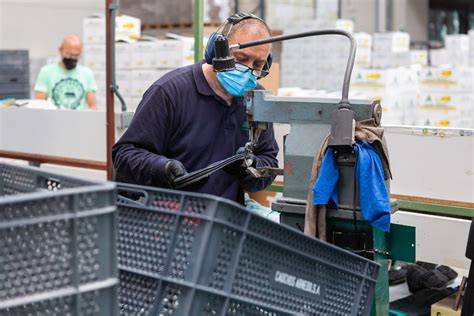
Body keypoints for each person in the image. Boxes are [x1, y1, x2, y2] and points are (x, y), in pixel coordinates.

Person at [112, 13, 278, 205]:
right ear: (216, 49)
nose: (247, 70)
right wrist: (162, 168)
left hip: (225, 220)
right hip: (170, 220)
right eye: (241, 59)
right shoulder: (170, 92)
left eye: (257, 65)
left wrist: (252, 168)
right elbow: (125, 154)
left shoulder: (256, 99)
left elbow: (269, 161)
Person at [34, 35, 97, 110]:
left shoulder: (87, 74)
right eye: (68, 54)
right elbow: (39, 106)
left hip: (79, 119)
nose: (72, 58)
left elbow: (92, 107)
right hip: (53, 119)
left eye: (76, 55)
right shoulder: (46, 72)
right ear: (60, 50)